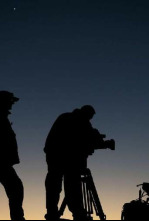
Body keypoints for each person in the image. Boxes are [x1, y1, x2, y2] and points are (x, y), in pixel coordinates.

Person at [44, 105, 96, 221]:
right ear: (85, 113)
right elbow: (85, 136)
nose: (90, 119)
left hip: (58, 157)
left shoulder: (70, 118)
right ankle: (76, 213)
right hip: (63, 157)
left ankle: (55, 212)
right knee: (70, 185)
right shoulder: (75, 120)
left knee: (59, 184)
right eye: (90, 117)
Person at [0, 91, 25, 221]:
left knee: (16, 189)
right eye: (10, 101)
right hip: (1, 162)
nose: (12, 104)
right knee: (16, 188)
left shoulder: (3, 116)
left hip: (4, 163)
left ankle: (17, 217)